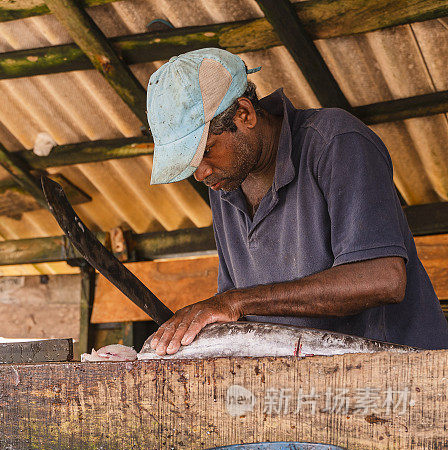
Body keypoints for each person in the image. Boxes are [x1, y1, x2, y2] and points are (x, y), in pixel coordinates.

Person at [145, 47, 448, 355]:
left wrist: (237, 301)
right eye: (190, 163)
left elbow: (382, 278)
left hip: (403, 382)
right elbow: (236, 310)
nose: (201, 174)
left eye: (206, 151)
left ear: (244, 114)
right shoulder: (225, 182)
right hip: (310, 388)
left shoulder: (335, 142)